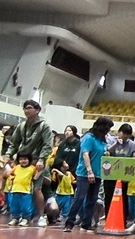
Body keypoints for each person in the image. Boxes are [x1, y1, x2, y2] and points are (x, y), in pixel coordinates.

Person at [2, 99, 54, 228]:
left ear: (37, 110)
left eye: (29, 108)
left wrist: (41, 159)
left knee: (36, 189)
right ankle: (18, 215)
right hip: (22, 162)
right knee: (17, 188)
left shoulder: (44, 126)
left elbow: (48, 145)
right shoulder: (21, 126)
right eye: (25, 108)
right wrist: (8, 155)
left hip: (37, 162)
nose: (26, 110)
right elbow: (14, 143)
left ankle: (41, 216)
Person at [64, 116, 114, 232]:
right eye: (108, 128)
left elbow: (101, 152)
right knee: (79, 198)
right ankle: (69, 222)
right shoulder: (89, 138)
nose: (108, 130)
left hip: (98, 173)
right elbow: (85, 154)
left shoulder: (102, 140)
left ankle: (86, 223)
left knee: (92, 199)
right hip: (85, 173)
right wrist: (89, 171)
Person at [103, 123, 135, 226]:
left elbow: (133, 160)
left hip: (123, 176)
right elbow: (106, 152)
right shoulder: (110, 140)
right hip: (110, 175)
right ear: (119, 132)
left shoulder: (132, 145)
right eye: (124, 133)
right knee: (108, 196)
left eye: (128, 134)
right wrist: (116, 144)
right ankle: (108, 219)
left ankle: (123, 220)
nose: (125, 136)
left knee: (123, 198)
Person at [5, 152, 37, 225]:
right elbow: (9, 174)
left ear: (29, 159)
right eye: (21, 159)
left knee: (26, 206)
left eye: (25, 159)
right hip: (15, 189)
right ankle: (15, 218)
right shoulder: (16, 167)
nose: (23, 161)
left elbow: (36, 177)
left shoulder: (32, 168)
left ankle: (26, 219)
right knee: (14, 206)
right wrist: (11, 177)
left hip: (26, 191)